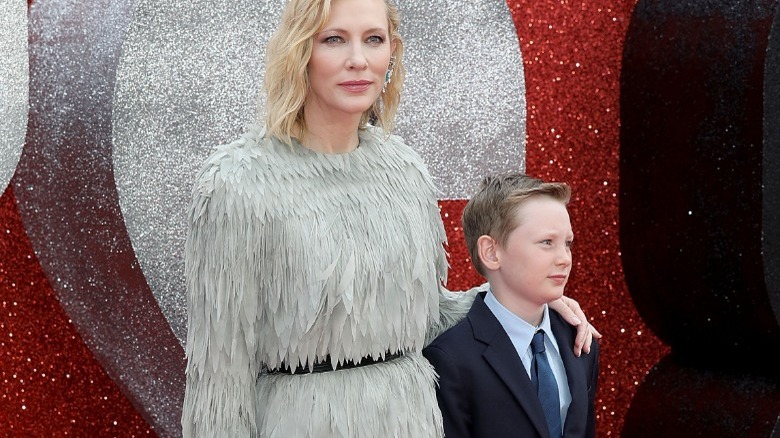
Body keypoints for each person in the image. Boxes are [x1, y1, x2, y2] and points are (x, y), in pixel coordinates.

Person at [180, 0, 600, 436]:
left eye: (373, 40)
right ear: (300, 49)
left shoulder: (404, 171)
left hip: (411, 420)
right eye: (334, 39)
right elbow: (219, 379)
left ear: (391, 52)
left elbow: (430, 316)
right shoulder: (236, 184)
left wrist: (523, 300)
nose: (358, 59)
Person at [423, 172, 599, 438]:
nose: (564, 258)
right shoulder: (451, 359)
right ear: (491, 252)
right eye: (546, 242)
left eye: (567, 243)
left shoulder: (581, 342)